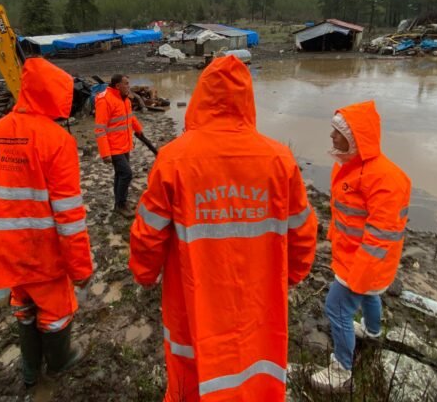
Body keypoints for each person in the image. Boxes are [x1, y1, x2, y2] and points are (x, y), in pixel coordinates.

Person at [128, 55, 318, 401]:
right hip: (259, 304)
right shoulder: (279, 160)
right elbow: (303, 230)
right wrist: (293, 274)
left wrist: (144, 273)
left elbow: (148, 232)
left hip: (191, 302)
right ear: (247, 101)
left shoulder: (173, 159)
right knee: (256, 373)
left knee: (190, 376)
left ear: (200, 98)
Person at [0, 57, 93, 389]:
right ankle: (60, 361)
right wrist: (79, 267)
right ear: (55, 95)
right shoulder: (57, 141)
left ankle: (30, 370)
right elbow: (68, 215)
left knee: (23, 303)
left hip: (4, 249)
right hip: (43, 252)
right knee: (55, 311)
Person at [310, 100, 411, 391]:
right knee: (371, 296)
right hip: (353, 255)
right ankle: (372, 331)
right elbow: (345, 212)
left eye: (337, 132)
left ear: (355, 138)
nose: (331, 136)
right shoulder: (349, 167)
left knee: (337, 307)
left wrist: (360, 274)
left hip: (364, 262)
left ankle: (342, 370)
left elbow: (382, 236)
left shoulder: (383, 179)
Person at [94, 73, 144, 218]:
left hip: (124, 143)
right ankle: (121, 204)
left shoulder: (125, 99)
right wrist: (105, 153)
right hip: (113, 147)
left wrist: (138, 129)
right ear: (117, 86)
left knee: (120, 174)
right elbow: (99, 128)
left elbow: (130, 117)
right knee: (127, 174)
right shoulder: (105, 100)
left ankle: (119, 203)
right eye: (126, 83)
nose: (129, 86)